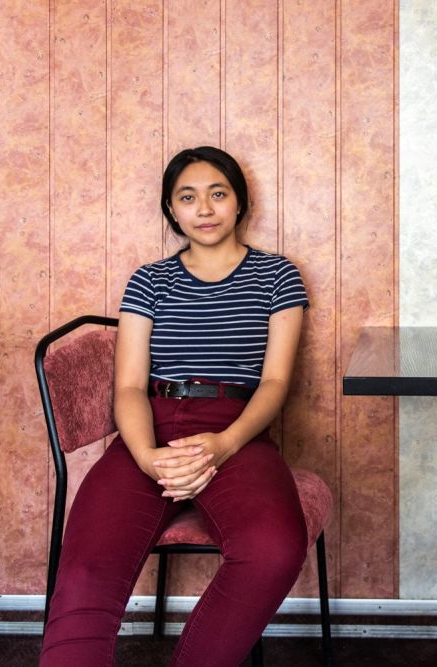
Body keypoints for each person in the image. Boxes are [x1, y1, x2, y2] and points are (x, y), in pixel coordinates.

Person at [40, 146, 310, 666]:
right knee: (85, 571)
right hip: (151, 429)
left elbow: (275, 382)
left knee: (274, 549)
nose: (204, 209)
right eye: (188, 197)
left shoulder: (277, 277)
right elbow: (128, 389)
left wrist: (222, 446)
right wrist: (146, 456)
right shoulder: (149, 280)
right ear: (171, 209)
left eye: (217, 194)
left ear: (239, 203)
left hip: (236, 430)